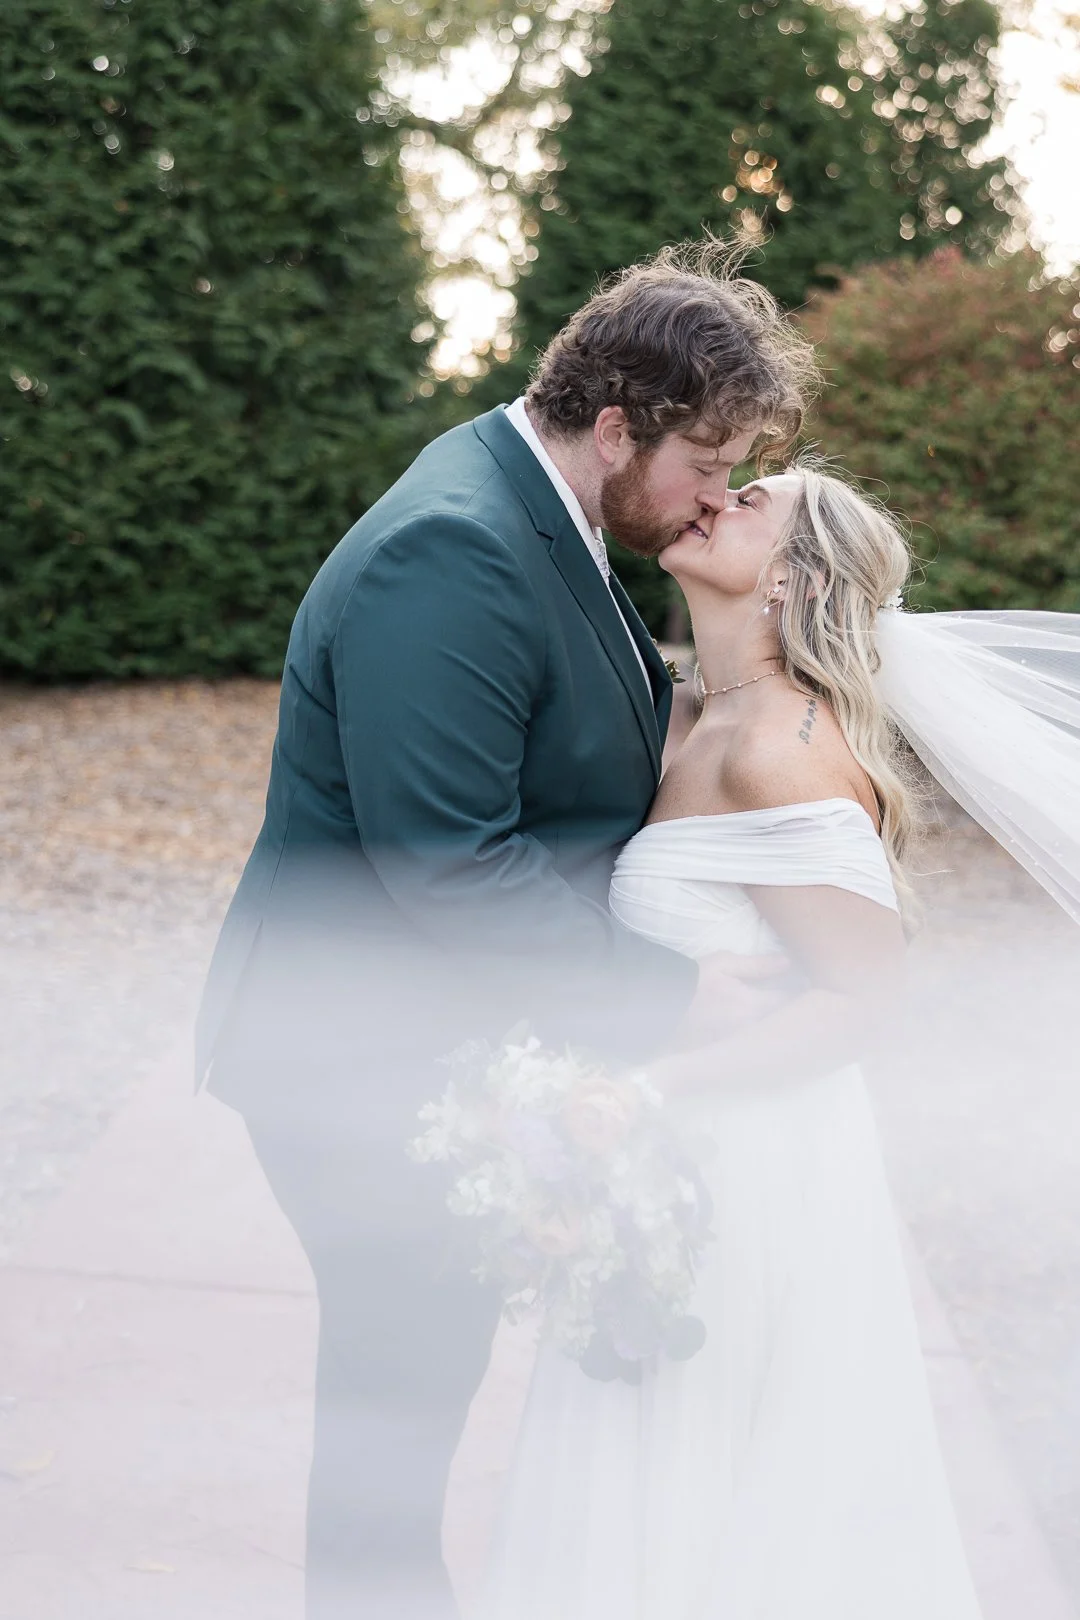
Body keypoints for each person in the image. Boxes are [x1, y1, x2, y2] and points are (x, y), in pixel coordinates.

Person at [194, 241, 819, 1619]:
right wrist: (672, 996)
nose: (719, 492)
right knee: (396, 1414)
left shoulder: (552, 514)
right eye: (708, 459)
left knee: (415, 1395)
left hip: (431, 1047)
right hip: (353, 1066)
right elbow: (448, 865)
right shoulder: (456, 552)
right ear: (615, 426)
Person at [477, 464, 990, 1619]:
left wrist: (644, 1092)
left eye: (754, 497)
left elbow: (862, 1002)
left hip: (751, 1176)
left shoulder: (780, 754)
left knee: (718, 1486)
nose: (717, 497)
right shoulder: (688, 715)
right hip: (663, 1168)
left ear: (793, 579)